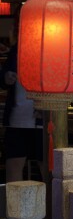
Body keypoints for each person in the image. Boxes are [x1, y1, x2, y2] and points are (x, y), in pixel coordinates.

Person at [0, 23, 43, 182]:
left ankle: (51, 206)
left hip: (42, 119)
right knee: (13, 166)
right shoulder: (16, 50)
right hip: (17, 118)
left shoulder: (51, 49)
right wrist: (7, 77)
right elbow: (3, 77)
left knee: (46, 167)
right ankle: (15, 207)